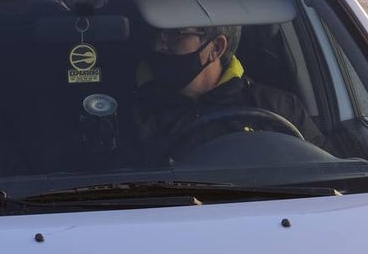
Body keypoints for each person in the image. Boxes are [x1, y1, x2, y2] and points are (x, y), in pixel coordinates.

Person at [132, 24, 326, 161]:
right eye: (156, 34)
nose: (158, 46)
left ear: (216, 48)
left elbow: (324, 172)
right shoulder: (135, 109)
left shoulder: (279, 107)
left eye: (174, 34)